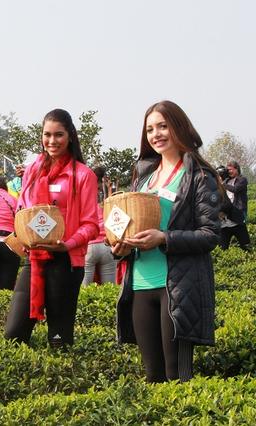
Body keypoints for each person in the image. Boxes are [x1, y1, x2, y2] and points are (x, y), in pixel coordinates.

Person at [113, 100, 221, 383]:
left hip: (177, 289)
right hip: (139, 285)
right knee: (153, 378)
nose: (156, 134)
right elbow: (129, 224)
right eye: (150, 129)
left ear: (179, 127)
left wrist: (164, 238)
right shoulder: (143, 179)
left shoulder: (198, 175)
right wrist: (121, 245)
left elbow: (210, 234)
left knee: (178, 378)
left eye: (163, 126)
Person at [4, 109, 99, 347]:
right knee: (14, 333)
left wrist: (67, 244)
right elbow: (22, 209)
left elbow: (91, 224)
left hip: (66, 260)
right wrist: (23, 234)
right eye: (47, 135)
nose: (52, 141)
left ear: (70, 136)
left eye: (58, 135)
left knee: (59, 337)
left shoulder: (84, 175)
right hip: (35, 257)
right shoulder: (34, 170)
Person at [82, 167, 117, 285]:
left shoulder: (83, 200)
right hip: (107, 245)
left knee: (83, 290)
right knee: (110, 288)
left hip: (89, 246)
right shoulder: (108, 203)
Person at [219, 161, 250, 250]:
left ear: (236, 169)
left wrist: (223, 184)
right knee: (223, 246)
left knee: (244, 243)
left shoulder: (242, 179)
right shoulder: (227, 180)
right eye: (227, 170)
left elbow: (235, 189)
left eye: (230, 169)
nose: (228, 172)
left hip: (238, 211)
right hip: (227, 214)